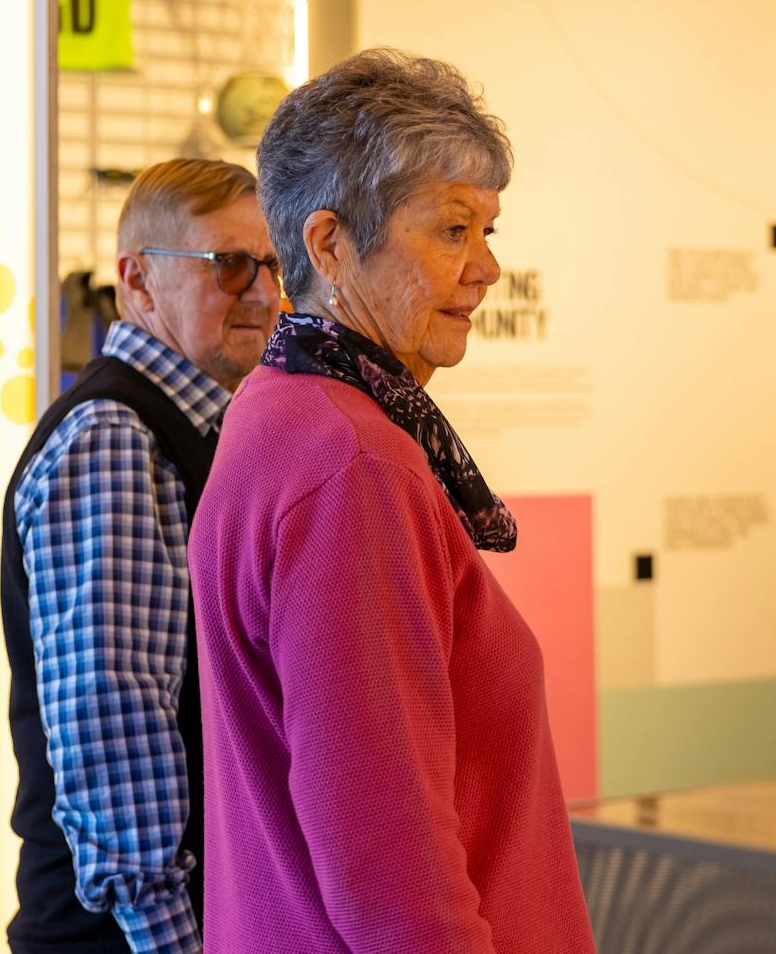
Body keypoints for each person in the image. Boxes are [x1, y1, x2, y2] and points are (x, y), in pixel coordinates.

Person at [189, 50, 596, 953]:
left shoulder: (283, 407)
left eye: (489, 229)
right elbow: (390, 866)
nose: (486, 268)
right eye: (452, 231)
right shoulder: (352, 463)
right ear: (330, 245)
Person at [1, 158, 282, 954]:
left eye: (272, 264)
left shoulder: (194, 430)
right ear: (138, 281)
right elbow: (114, 729)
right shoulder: (115, 441)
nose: (261, 292)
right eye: (229, 265)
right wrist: (175, 942)